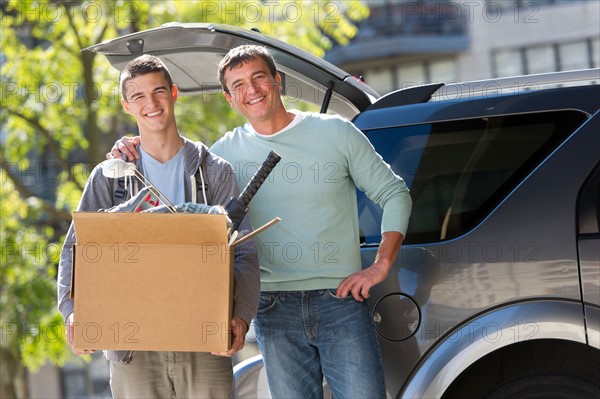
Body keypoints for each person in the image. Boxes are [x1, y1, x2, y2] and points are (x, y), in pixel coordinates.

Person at [110, 45, 412, 399]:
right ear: (228, 98)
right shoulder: (222, 156)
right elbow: (189, 216)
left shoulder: (336, 133)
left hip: (340, 300)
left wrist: (380, 265)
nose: (251, 90)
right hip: (272, 308)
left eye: (258, 78)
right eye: (237, 85)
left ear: (277, 81)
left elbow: (395, 194)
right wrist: (129, 147)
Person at [57, 54, 260, 398]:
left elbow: (244, 253)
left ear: (174, 93)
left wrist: (240, 315)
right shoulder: (110, 175)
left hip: (204, 338)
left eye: (159, 92)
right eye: (138, 96)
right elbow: (76, 250)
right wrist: (72, 312)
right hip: (132, 346)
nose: (151, 103)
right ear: (126, 106)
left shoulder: (214, 171)